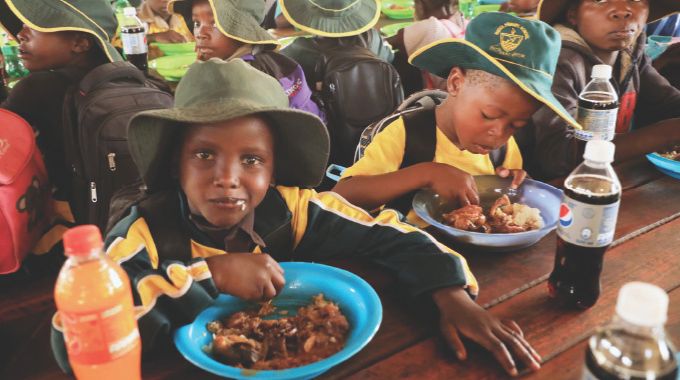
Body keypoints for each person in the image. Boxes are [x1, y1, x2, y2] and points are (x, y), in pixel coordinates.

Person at [48, 58, 541, 376]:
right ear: (174, 163)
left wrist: (450, 294)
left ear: (274, 169)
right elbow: (73, 339)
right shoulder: (143, 235)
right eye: (203, 156)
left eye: (252, 159)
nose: (228, 179)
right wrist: (209, 275)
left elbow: (390, 235)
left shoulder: (293, 209)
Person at [333, 12, 579, 227]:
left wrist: (512, 181)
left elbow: (505, 201)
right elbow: (343, 195)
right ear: (455, 83)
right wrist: (427, 173)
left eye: (516, 126)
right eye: (489, 115)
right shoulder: (405, 134)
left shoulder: (502, 148)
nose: (499, 134)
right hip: (407, 254)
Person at [0, 0, 123, 269]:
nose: (20, 34)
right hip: (115, 224)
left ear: (80, 43)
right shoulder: (124, 78)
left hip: (57, 228)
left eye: (33, 27)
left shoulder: (37, 88)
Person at [524, 0, 680, 180]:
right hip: (553, 189)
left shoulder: (628, 53)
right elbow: (558, 157)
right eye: (600, 0)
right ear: (573, 14)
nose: (622, 11)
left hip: (611, 177)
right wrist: (667, 133)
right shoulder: (555, 61)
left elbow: (667, 104)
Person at [169, 0, 323, 119]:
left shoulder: (240, 80)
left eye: (215, 23)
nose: (200, 33)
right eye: (197, 23)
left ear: (241, 30)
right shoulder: (273, 60)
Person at [278, 0, 395, 86]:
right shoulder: (373, 38)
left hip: (327, 118)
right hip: (382, 115)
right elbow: (390, 57)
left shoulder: (299, 50)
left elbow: (278, 70)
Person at [387, 0, 467, 94]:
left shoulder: (430, 27)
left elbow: (387, 43)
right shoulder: (462, 21)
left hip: (447, 99)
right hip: (467, 95)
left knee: (399, 60)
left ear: (420, 5)